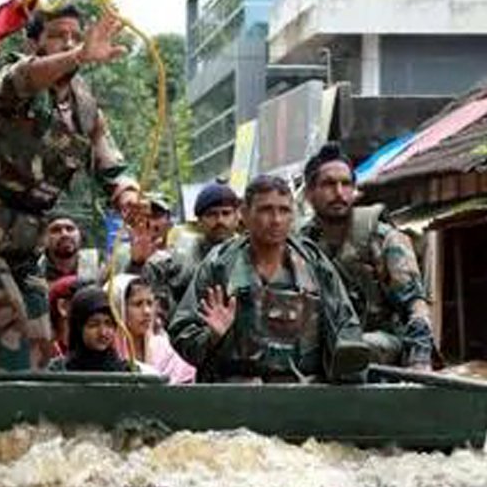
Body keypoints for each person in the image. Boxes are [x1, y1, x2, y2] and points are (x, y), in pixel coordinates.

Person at [0, 4, 143, 371]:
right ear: (33, 43)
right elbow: (24, 78)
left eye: (76, 36)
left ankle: (20, 417)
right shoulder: (12, 74)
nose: (68, 42)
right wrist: (78, 54)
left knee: (40, 347)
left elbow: (110, 161)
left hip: (23, 240)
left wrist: (128, 194)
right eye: (57, 36)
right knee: (10, 337)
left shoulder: (84, 106)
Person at [168, 175, 370, 383]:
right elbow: (182, 331)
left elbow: (346, 329)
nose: (276, 220)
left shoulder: (313, 263)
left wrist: (348, 376)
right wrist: (211, 338)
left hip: (305, 396)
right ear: (244, 214)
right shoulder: (220, 265)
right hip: (234, 399)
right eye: (266, 210)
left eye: (284, 210)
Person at [299, 143, 436, 370]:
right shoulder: (300, 245)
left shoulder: (382, 238)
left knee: (358, 347)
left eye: (346, 184)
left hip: (377, 345)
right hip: (319, 348)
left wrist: (420, 359)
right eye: (328, 184)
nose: (339, 192)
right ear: (309, 193)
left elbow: (415, 304)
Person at [143, 180, 241, 322]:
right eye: (212, 214)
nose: (220, 220)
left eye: (226, 213)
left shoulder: (249, 251)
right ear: (199, 221)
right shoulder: (180, 256)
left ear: (237, 217)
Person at [111, 274, 195, 383]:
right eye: (138, 304)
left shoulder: (164, 348)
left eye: (150, 304)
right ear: (119, 308)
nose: (147, 311)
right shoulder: (108, 351)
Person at [48, 285, 129, 372]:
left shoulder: (126, 371)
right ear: (78, 327)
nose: (103, 333)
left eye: (108, 324)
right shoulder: (58, 370)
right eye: (93, 325)